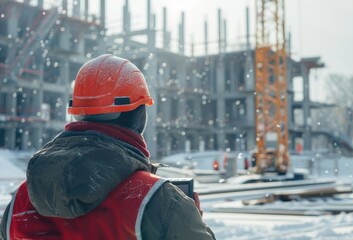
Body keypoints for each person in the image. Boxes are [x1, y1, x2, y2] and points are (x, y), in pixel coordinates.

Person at [0, 54, 216, 240]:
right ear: (139, 117)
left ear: (77, 112)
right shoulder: (157, 200)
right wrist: (186, 219)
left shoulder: (20, 201)